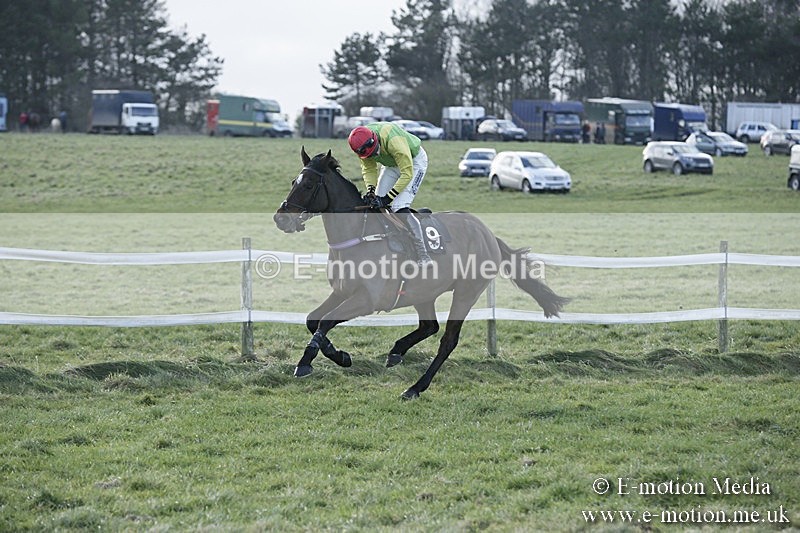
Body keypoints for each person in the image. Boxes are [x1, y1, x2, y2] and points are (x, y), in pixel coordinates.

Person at [348, 123, 432, 267]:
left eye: (375, 151)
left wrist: (387, 198)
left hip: (414, 162)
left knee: (399, 206)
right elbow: (369, 169)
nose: (375, 156)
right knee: (376, 206)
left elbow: (407, 173)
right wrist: (371, 191)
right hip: (391, 164)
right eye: (371, 155)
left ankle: (423, 255)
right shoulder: (361, 144)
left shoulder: (393, 140)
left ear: (375, 140)